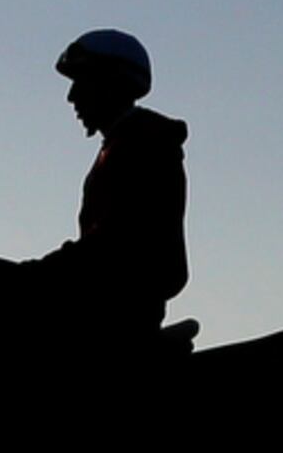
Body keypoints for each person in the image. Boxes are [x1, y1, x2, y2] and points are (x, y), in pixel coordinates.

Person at [28, 28, 187, 351]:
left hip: (116, 321)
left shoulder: (142, 145)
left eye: (80, 82)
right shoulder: (123, 144)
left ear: (110, 84)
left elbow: (115, 245)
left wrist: (36, 275)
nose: (71, 97)